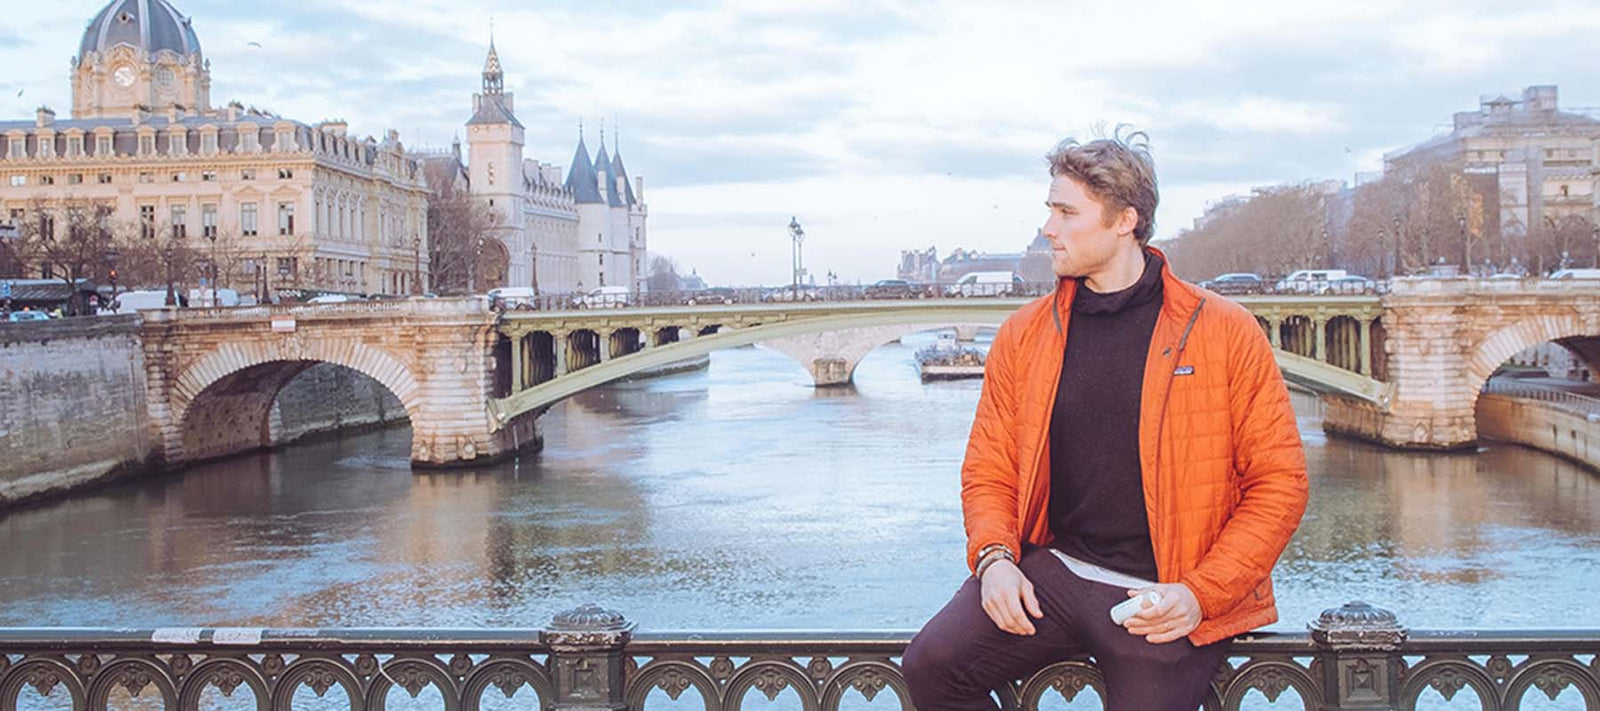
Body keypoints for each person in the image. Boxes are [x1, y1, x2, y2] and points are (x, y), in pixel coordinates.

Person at [902, 129, 1309, 710]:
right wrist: (994, 560)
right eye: (1050, 210)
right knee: (931, 667)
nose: (1049, 228)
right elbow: (990, 469)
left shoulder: (1224, 329)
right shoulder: (1025, 334)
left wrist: (1201, 594)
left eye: (1067, 213)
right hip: (1059, 572)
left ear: (1125, 221)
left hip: (1166, 593)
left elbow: (1280, 485)